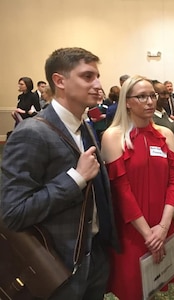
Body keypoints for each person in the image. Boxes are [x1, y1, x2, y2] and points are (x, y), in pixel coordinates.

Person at [1, 47, 119, 299]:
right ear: (60, 81)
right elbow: (12, 213)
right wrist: (75, 179)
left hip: (94, 256)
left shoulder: (84, 126)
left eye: (97, 76)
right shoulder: (32, 133)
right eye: (87, 76)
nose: (98, 84)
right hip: (57, 265)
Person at [101, 76, 174, 300]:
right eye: (142, 96)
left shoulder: (166, 134)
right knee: (132, 288)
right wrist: (149, 234)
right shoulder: (113, 136)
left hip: (162, 223)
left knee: (155, 282)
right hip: (133, 228)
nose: (150, 102)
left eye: (152, 96)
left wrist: (163, 228)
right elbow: (121, 190)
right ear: (127, 102)